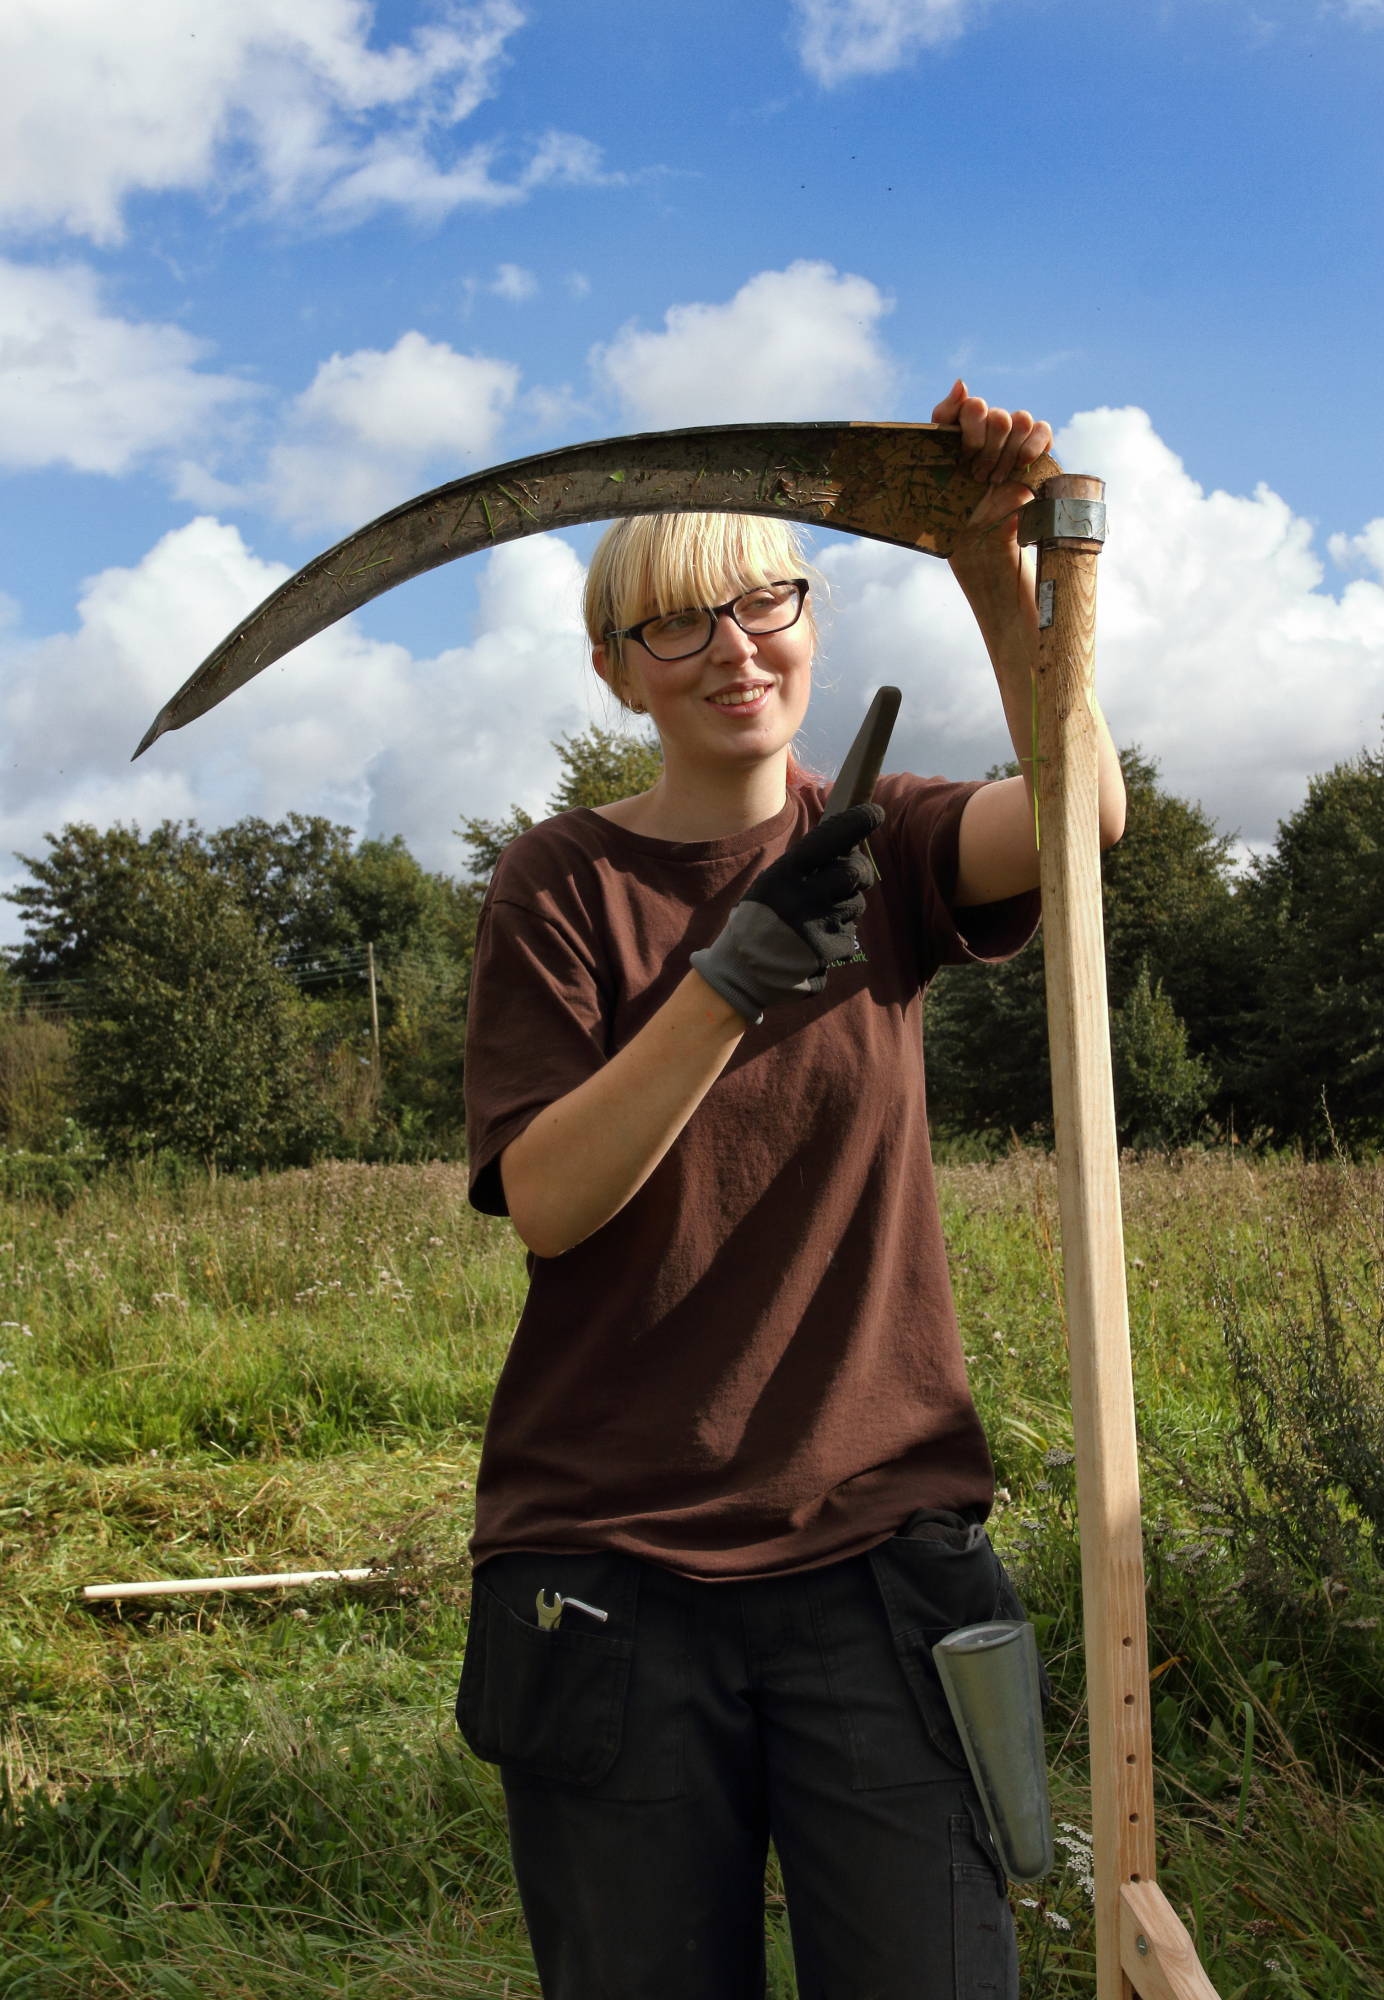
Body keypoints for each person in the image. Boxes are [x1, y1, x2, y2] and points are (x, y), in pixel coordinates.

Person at [456, 383, 1127, 2000]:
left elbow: (1083, 814)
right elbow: (549, 1200)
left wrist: (983, 562)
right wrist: (728, 983)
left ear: (811, 622)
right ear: (616, 669)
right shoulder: (562, 883)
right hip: (607, 1567)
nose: (736, 646)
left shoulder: (886, 841)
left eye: (768, 600)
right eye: (680, 623)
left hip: (877, 1548)